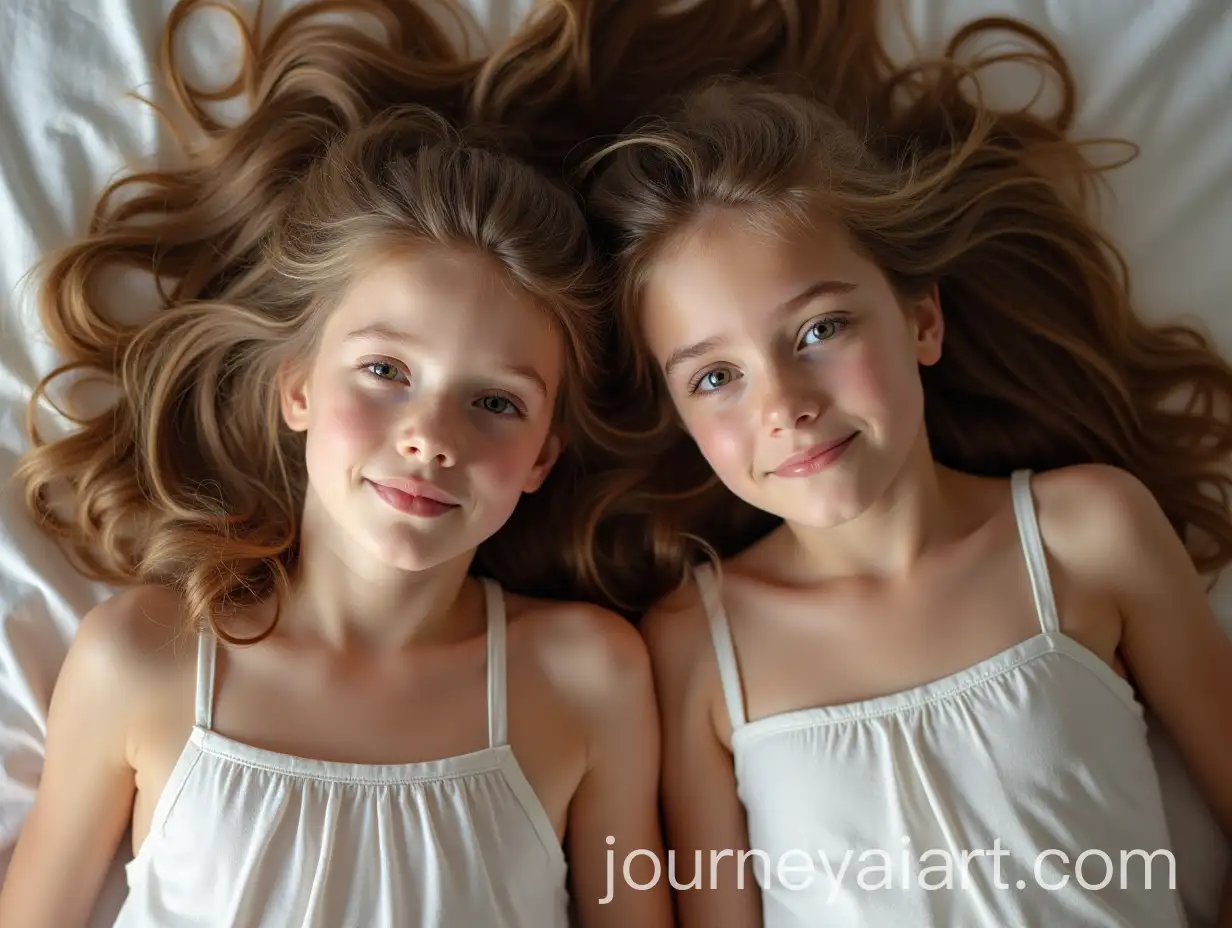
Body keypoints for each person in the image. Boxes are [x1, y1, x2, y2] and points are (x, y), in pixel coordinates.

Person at [0, 1, 672, 926]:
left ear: (541, 457)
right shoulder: (142, 658)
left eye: (496, 403)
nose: (433, 436)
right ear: (298, 389)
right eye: (387, 371)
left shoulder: (588, 677)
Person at [579, 13, 1232, 928]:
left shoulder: (1085, 533)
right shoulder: (694, 643)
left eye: (819, 331)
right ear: (679, 413)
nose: (784, 405)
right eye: (716, 377)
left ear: (922, 319)